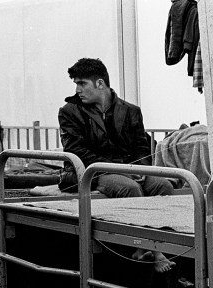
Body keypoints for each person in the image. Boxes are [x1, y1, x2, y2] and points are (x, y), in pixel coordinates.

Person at [60, 58, 175, 271]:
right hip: (92, 171)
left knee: (163, 186)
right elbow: (76, 151)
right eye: (76, 84)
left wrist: (142, 169)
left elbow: (142, 147)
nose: (78, 90)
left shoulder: (131, 111)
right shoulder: (69, 111)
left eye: (82, 83)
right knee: (130, 188)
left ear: (100, 84)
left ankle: (156, 244)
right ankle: (151, 249)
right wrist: (122, 170)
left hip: (128, 168)